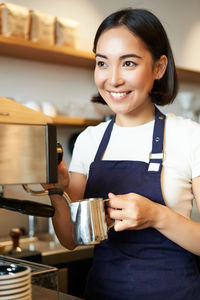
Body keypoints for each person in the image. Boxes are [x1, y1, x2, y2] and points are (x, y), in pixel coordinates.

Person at [48, 8, 200, 300]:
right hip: (103, 292)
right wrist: (57, 191)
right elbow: (70, 239)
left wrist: (156, 216)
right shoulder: (89, 141)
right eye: (102, 63)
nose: (113, 79)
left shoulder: (190, 136)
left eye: (128, 63)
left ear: (159, 67)